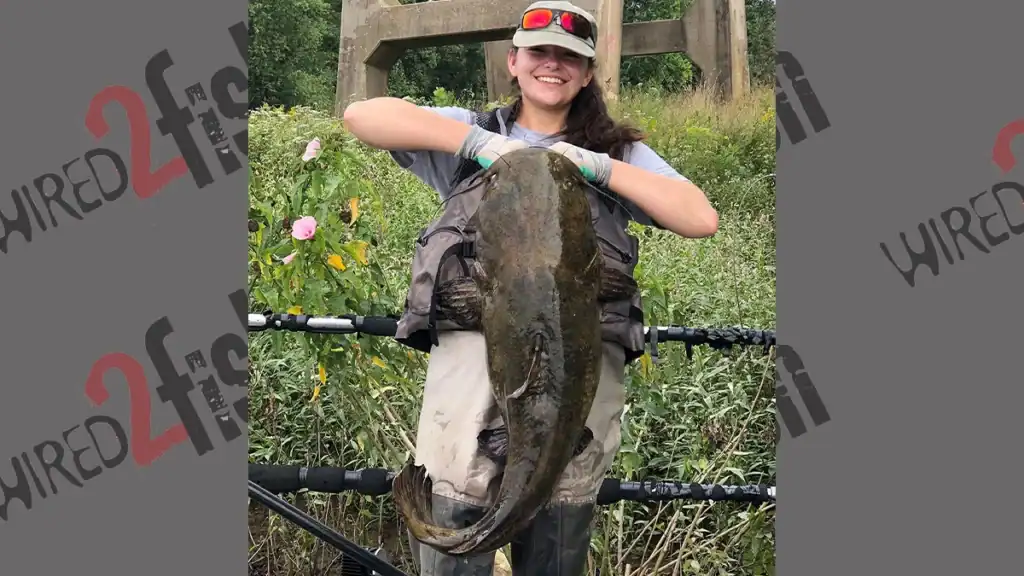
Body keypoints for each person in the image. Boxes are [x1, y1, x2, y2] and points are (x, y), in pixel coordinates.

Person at [342, 2, 718, 574]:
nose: (553, 64)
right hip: (472, 379)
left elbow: (699, 217)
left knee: (556, 529)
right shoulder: (472, 134)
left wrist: (599, 168)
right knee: (458, 512)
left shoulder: (618, 154)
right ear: (513, 62)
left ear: (588, 74)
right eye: (539, 52)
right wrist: (472, 144)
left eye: (570, 57)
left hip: (573, 381)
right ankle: (448, 535)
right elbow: (360, 116)